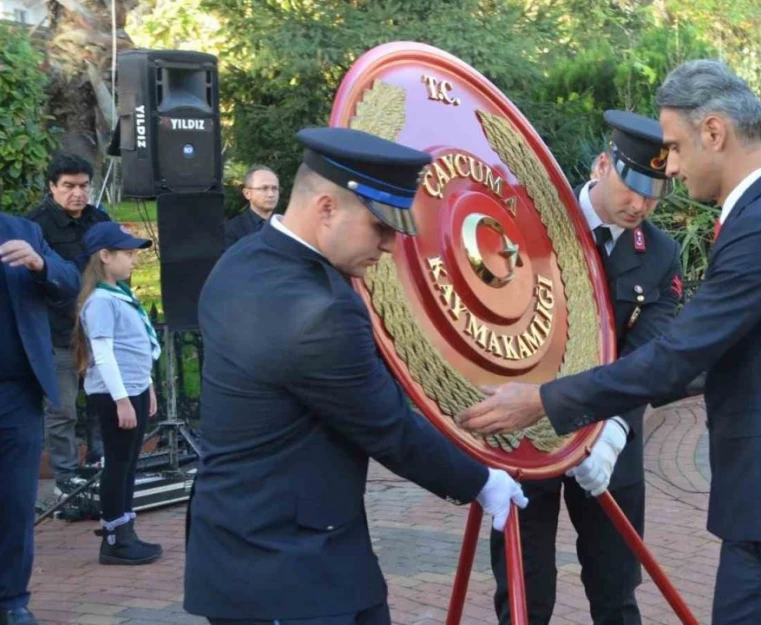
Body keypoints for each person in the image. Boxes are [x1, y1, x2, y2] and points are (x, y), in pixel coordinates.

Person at [457, 60, 761, 625]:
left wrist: (542, 402)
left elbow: (676, 355)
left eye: (674, 147)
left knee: (617, 590)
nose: (670, 167)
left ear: (714, 133)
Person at [183, 126, 528, 625]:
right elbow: (387, 427)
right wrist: (480, 481)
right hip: (290, 568)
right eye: (380, 227)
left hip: (252, 547)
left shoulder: (243, 261)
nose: (390, 245)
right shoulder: (315, 309)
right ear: (326, 208)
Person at [488, 110, 683, 625]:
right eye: (633, 186)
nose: (641, 204)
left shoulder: (661, 254)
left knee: (616, 592)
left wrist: (615, 428)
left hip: (609, 446)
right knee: (524, 598)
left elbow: (650, 353)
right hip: (527, 438)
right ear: (602, 164)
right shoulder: (532, 221)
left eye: (654, 193)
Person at [0, 213, 81, 625]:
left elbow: (69, 281)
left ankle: (13, 599)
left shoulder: (23, 231)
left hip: (15, 393)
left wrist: (41, 264)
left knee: (15, 502)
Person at [72, 222, 164, 563]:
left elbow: (136, 347)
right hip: (115, 394)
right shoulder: (100, 302)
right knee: (118, 463)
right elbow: (105, 354)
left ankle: (126, 531)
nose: (133, 260)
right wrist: (122, 400)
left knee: (128, 464)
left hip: (133, 388)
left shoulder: (121, 295)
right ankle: (113, 538)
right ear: (104, 256)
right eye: (126, 254)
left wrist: (148, 387)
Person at [26, 152, 112, 494]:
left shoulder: (99, 220)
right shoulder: (36, 225)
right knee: (62, 408)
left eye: (83, 185)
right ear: (52, 187)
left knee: (100, 402)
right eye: (68, 186)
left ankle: (99, 461)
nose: (77, 193)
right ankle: (65, 478)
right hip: (57, 331)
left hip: (98, 329)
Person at [224, 165, 280, 248]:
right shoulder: (233, 229)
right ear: (247, 193)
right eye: (264, 188)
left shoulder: (287, 225)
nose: (271, 194)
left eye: (275, 188)